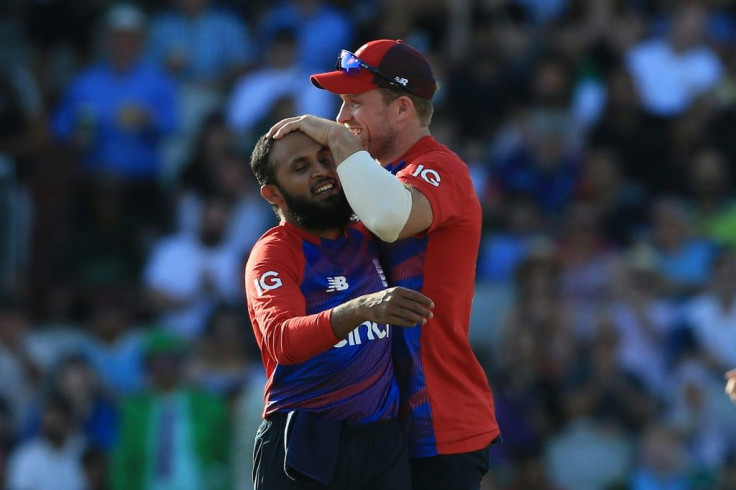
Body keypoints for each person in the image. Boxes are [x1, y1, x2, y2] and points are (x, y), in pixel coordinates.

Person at [268, 39, 500, 489]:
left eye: (355, 103)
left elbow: (391, 217)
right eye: (341, 105)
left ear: (401, 110)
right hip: (373, 428)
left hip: (440, 423)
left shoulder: (440, 167)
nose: (342, 119)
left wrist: (337, 142)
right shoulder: (361, 179)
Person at [245, 130, 434, 489]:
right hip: (304, 443)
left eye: (325, 159)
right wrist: (362, 308)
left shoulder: (370, 235)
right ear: (273, 194)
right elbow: (282, 341)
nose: (321, 172)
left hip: (383, 441)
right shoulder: (275, 253)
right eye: (301, 167)